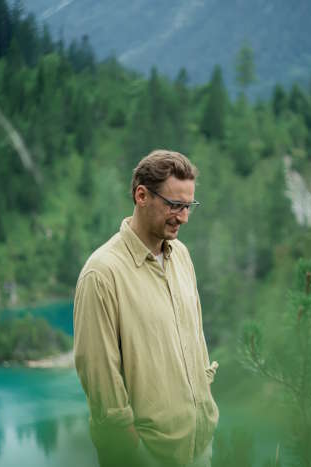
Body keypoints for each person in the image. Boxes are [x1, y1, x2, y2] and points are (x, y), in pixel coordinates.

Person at [74, 150, 219, 467]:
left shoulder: (181, 256)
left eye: (188, 206)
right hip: (145, 457)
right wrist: (134, 453)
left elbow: (195, 343)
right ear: (142, 195)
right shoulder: (102, 273)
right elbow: (100, 381)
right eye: (174, 205)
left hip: (199, 449)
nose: (182, 216)